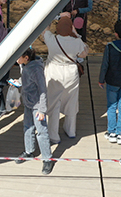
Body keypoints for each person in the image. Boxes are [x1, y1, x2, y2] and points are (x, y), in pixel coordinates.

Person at [42, 16, 88, 144]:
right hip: (70, 72)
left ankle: (53, 135)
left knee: (53, 102)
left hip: (53, 72)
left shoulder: (51, 38)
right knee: (71, 101)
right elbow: (84, 52)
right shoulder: (76, 42)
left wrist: (50, 19)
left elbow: (44, 30)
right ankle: (70, 130)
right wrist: (75, 33)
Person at [15, 48, 55, 175]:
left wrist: (42, 109)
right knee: (27, 127)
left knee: (42, 132)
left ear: (26, 58)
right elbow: (27, 79)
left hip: (37, 104)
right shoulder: (25, 66)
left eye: (18, 57)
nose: (16, 60)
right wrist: (19, 82)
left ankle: (47, 158)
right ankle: (29, 151)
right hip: (28, 102)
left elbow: (42, 90)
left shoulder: (36, 69)